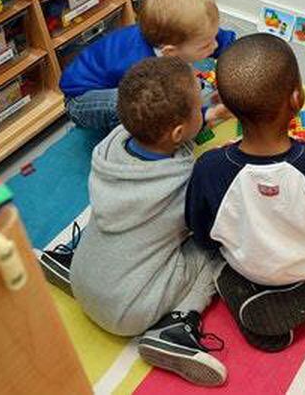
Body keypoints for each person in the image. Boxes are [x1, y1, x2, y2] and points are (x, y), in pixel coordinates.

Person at [37, 58, 228, 386]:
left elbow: (167, 142)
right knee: (213, 249)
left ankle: (73, 259)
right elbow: (209, 230)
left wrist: (205, 118)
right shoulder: (187, 184)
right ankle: (177, 326)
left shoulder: (113, 146)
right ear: (179, 131)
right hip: (130, 311)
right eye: (199, 106)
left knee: (115, 220)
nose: (203, 105)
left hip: (84, 282)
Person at [186, 35, 305, 351]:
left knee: (218, 258)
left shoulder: (208, 167)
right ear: (297, 99)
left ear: (227, 109)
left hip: (244, 264)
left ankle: (246, 291)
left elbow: (201, 234)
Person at [59, 0, 235, 131]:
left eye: (214, 37)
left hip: (116, 79)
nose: (215, 45)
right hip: (82, 100)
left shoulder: (179, 36)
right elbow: (162, 104)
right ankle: (129, 139)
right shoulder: (144, 68)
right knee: (144, 108)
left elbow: (226, 44)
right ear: (170, 52)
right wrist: (207, 115)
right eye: (206, 45)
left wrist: (235, 76)